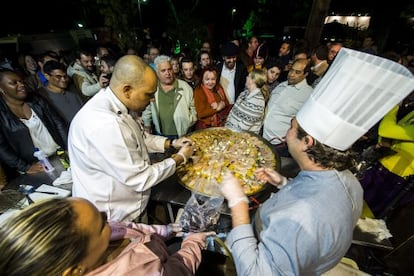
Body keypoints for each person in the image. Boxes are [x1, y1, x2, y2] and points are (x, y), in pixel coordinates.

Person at [219, 47, 414, 275]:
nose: (286, 134)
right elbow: (318, 196)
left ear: (307, 142)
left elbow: (256, 272)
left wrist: (238, 203)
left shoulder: (301, 215)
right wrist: (283, 183)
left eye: (292, 128)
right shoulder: (349, 181)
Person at [68, 55, 194, 222]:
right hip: (116, 216)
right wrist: (179, 157)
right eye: (148, 95)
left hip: (131, 205)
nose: (151, 101)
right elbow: (141, 178)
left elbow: (139, 137)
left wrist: (171, 143)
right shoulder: (106, 124)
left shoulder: (119, 105)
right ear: (127, 90)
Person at [0, 197, 215, 275]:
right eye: (101, 223)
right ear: (75, 271)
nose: (107, 218)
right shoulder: (138, 271)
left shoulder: (97, 237)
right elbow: (179, 270)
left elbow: (128, 228)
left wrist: (166, 230)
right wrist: (194, 241)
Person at [0, 69, 68, 177]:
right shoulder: (2, 114)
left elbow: (58, 123)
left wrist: (67, 148)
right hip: (36, 167)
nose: (21, 85)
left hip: (59, 155)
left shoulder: (36, 99)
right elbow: (2, 148)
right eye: (14, 83)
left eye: (21, 81)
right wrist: (25, 167)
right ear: (2, 89)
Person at [262, 58, 313, 156]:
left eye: (297, 72)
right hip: (263, 137)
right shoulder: (282, 85)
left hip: (279, 146)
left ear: (305, 74)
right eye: (291, 70)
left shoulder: (308, 94)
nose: (291, 74)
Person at [142, 55, 197, 139]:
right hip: (160, 135)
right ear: (157, 73)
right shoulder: (153, 88)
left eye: (169, 69)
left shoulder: (185, 87)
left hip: (182, 134)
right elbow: (148, 108)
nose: (167, 73)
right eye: (163, 71)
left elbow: (193, 108)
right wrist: (147, 124)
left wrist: (188, 122)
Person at [39, 60, 84, 124]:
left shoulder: (73, 92)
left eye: (65, 76)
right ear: (47, 76)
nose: (63, 79)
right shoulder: (43, 97)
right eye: (58, 76)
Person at [225, 68, 268, 135]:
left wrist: (230, 134)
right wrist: (226, 128)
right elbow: (232, 111)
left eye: (248, 76)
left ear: (253, 80)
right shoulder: (244, 93)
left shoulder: (258, 101)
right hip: (230, 132)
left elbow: (245, 125)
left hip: (241, 138)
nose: (246, 77)